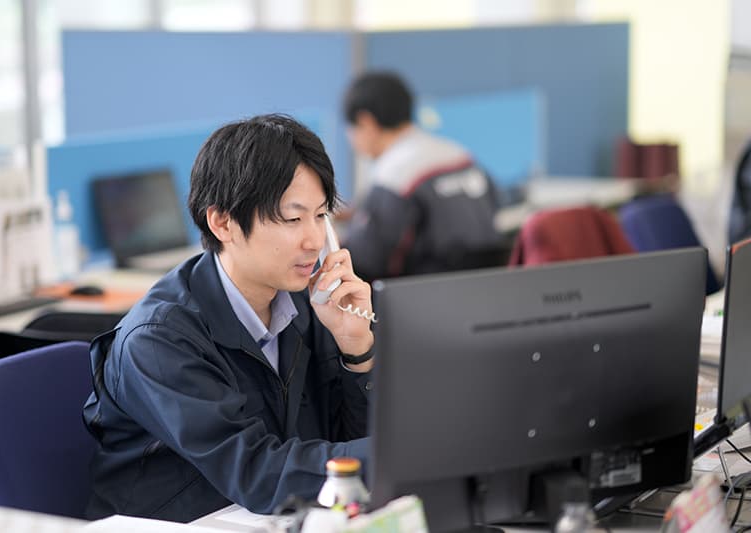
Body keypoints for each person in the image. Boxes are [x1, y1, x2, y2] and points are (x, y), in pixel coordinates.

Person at [83, 114, 375, 523]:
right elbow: (258, 473)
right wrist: (400, 452)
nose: (313, 240)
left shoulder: (311, 304)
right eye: (293, 218)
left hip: (270, 518)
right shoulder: (159, 339)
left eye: (321, 215)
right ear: (222, 222)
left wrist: (356, 350)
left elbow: (349, 443)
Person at [341, 71, 504, 281]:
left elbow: (366, 260)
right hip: (486, 285)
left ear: (366, 122)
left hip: (425, 293)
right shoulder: (460, 155)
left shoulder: (393, 176)